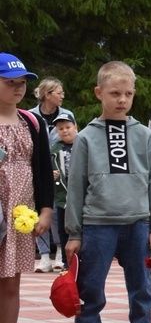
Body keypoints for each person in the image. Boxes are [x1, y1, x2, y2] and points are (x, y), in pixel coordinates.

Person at [64, 62, 151, 323]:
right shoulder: (85, 138)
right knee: (90, 291)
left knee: (142, 290)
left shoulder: (144, 135)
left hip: (138, 223)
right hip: (97, 224)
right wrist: (74, 232)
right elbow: (76, 187)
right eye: (115, 93)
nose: (122, 100)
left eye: (128, 94)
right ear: (99, 93)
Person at [0, 52, 55, 323]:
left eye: (22, 83)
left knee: (10, 286)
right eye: (10, 82)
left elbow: (44, 173)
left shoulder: (32, 123)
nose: (17, 88)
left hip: (20, 212)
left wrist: (46, 210)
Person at [31, 77, 73, 272]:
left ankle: (58, 254)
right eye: (59, 92)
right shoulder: (30, 115)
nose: (62, 95)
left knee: (57, 213)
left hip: (61, 173)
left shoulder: (67, 115)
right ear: (47, 95)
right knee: (38, 210)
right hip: (37, 169)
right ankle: (44, 256)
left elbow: (72, 140)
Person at [50, 111, 77, 263]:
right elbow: (47, 168)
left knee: (81, 229)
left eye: (67, 127)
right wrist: (51, 174)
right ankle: (67, 263)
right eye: (61, 129)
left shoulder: (83, 144)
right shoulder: (54, 149)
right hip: (63, 197)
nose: (65, 131)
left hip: (82, 198)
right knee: (63, 229)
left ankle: (83, 260)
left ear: (75, 127)